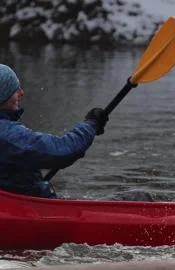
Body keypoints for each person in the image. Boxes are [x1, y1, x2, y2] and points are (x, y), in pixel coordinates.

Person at [0, 64, 108, 199]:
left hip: (21, 199)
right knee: (140, 196)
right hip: (30, 210)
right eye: (14, 89)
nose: (21, 92)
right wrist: (92, 124)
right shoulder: (6, 135)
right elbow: (63, 151)